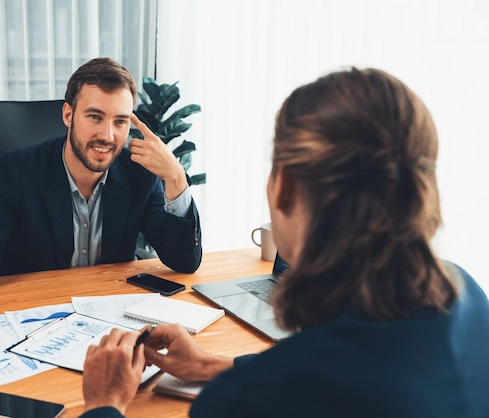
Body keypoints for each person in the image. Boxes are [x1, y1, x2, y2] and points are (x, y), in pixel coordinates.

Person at [79, 68, 489, 417]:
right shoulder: (467, 293)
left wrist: (105, 403)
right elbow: (347, 371)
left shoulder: (249, 401)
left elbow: (312, 380)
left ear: (284, 188)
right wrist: (216, 364)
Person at [0, 57, 203, 361]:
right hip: (30, 325)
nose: (108, 136)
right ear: (68, 114)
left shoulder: (139, 174)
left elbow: (183, 261)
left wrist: (175, 177)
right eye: (95, 117)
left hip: (107, 328)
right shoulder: (18, 170)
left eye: (120, 121)